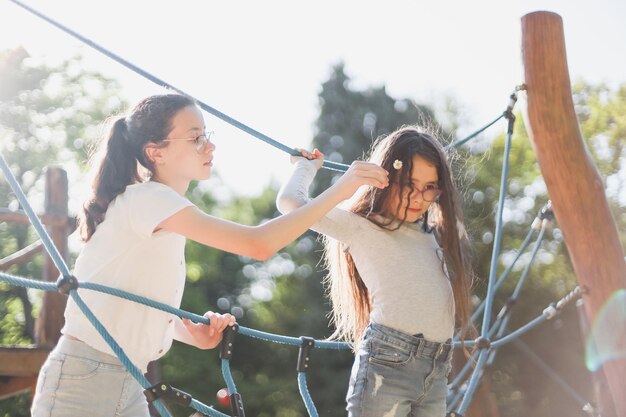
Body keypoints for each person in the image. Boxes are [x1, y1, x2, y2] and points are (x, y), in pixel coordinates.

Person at [31, 93, 389, 417]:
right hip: (85, 376)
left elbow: (135, 300)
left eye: (207, 135)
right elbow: (258, 245)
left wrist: (190, 335)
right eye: (195, 138)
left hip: (127, 376)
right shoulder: (148, 200)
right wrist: (341, 189)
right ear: (156, 152)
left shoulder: (161, 210)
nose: (209, 146)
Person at [277, 125, 473, 417]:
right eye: (410, 184)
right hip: (388, 366)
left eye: (430, 187)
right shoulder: (361, 227)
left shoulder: (433, 234)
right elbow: (291, 204)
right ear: (386, 178)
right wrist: (306, 167)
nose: (419, 198)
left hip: (437, 368)